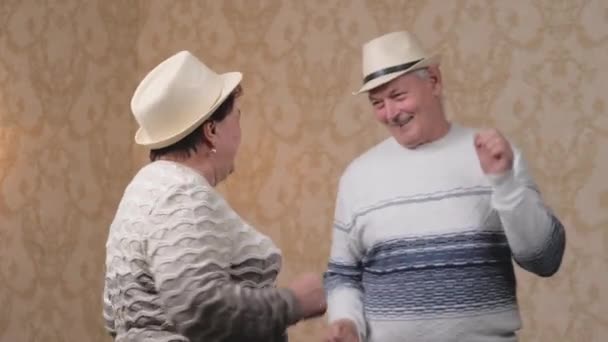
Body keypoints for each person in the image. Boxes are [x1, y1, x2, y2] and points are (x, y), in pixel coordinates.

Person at [323, 31, 566, 342]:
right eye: (377, 103)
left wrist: (504, 183)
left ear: (434, 81)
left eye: (398, 96)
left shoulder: (496, 156)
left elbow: (545, 259)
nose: (391, 114)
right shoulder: (357, 176)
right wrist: (346, 321)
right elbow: (343, 274)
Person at [102, 50, 326, 342]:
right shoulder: (182, 194)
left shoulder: (140, 191)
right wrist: (294, 301)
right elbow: (198, 306)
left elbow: (113, 315)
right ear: (211, 130)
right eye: (237, 116)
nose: (239, 130)